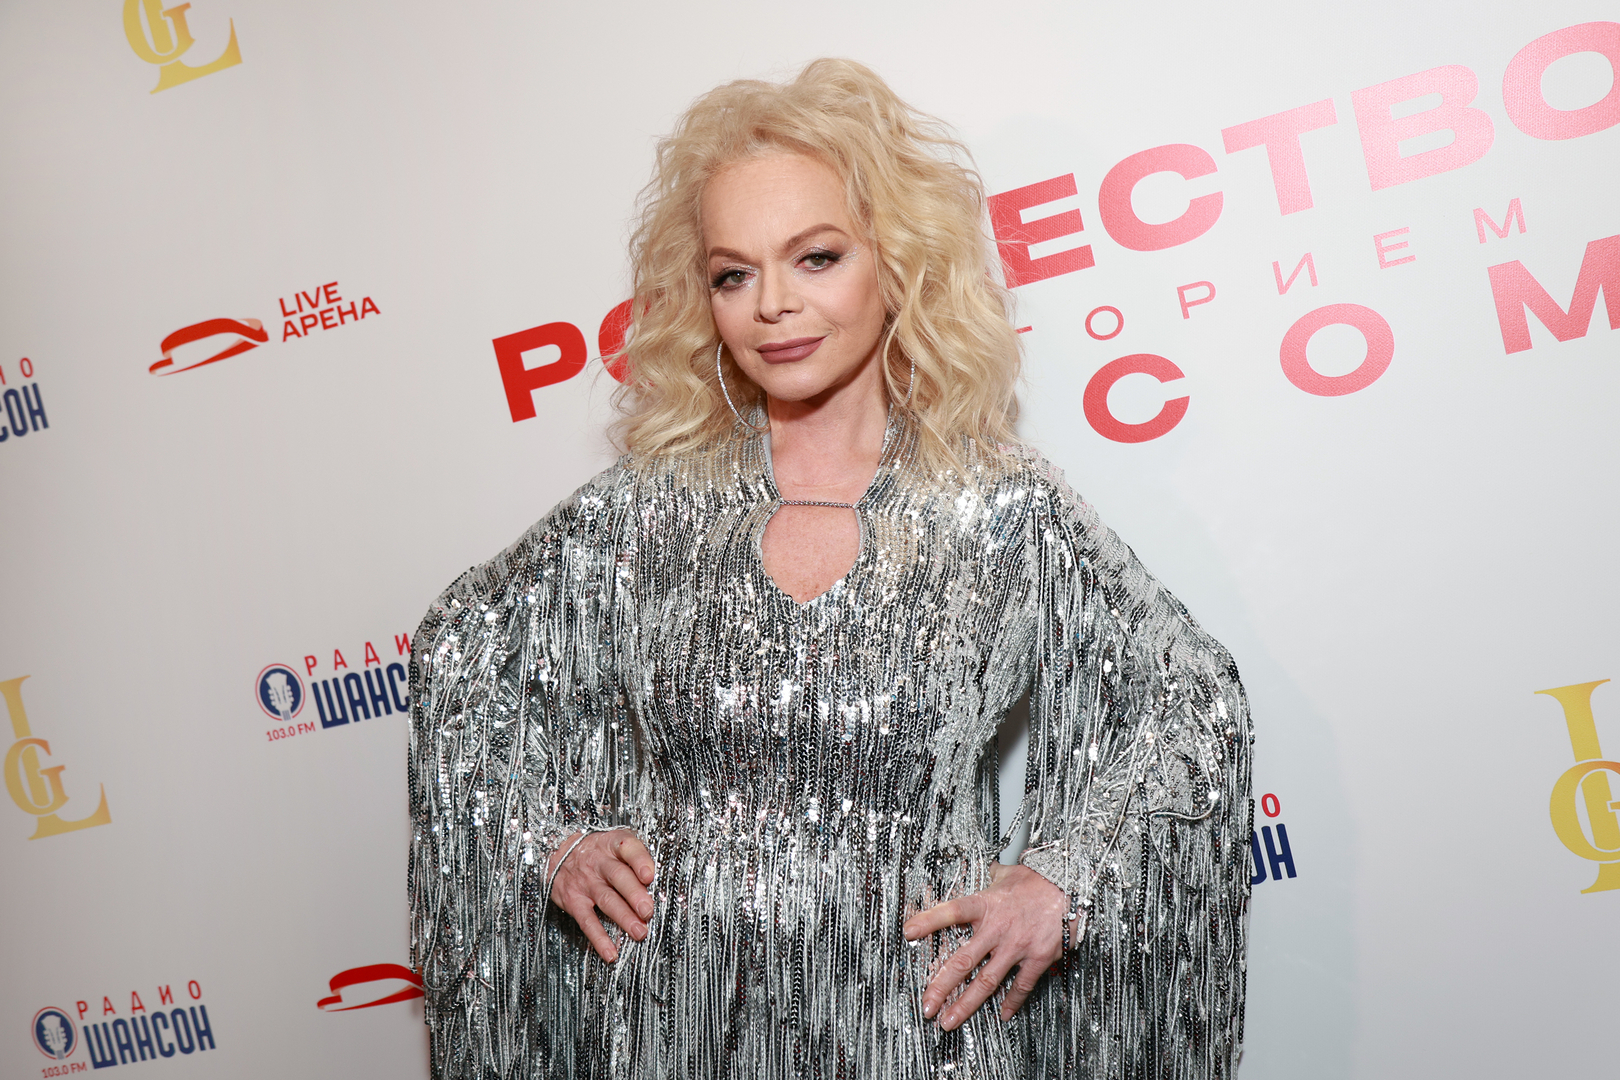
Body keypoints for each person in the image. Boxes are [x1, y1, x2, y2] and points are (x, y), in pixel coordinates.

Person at [408, 59, 1252, 1080]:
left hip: (919, 1040)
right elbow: (461, 655)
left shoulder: (999, 507)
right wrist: (549, 838)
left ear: (897, 263)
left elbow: (1192, 704)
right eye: (733, 274)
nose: (772, 305)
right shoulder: (645, 506)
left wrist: (1062, 876)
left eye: (815, 257)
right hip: (678, 1036)